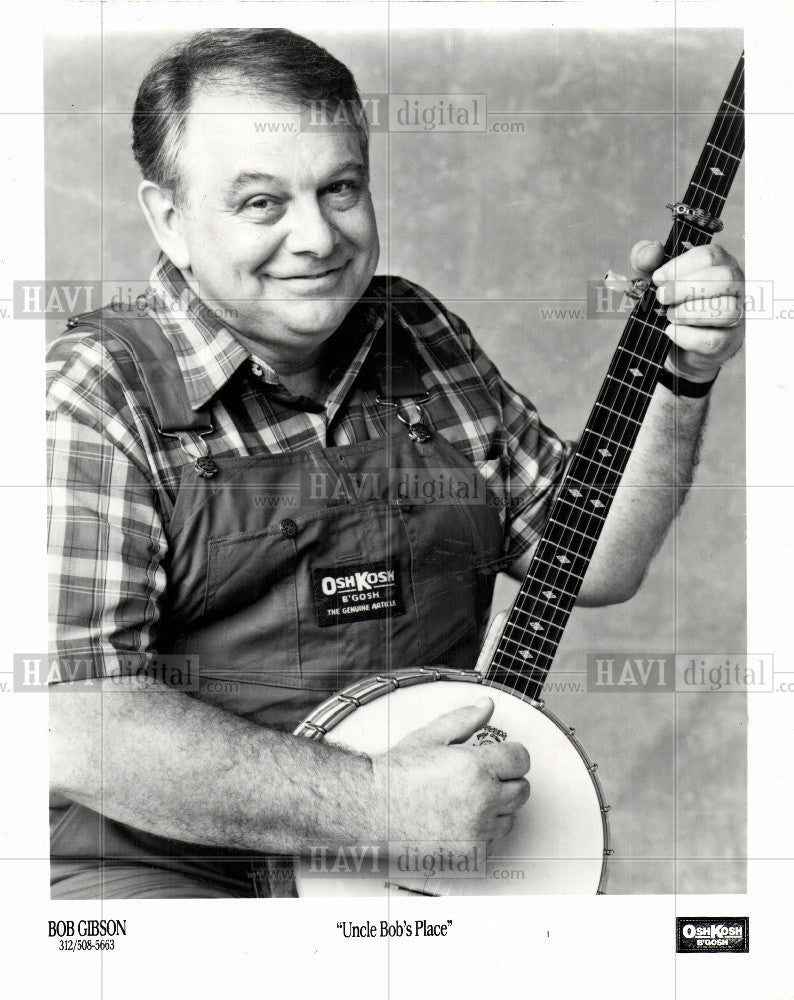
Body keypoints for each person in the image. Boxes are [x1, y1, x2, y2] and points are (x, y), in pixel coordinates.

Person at [47, 28, 745, 899]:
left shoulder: (417, 333)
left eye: (340, 189)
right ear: (168, 218)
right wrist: (377, 806)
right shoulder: (95, 395)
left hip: (425, 873)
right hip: (168, 879)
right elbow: (73, 724)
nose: (316, 238)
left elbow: (595, 558)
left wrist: (682, 376)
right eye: (262, 203)